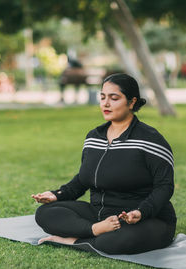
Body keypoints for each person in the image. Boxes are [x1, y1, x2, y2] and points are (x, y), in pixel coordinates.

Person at [32, 73, 176, 254]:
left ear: (132, 102)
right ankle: (94, 231)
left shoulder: (150, 140)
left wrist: (141, 212)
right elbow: (83, 179)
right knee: (45, 213)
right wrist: (57, 195)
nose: (105, 104)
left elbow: (164, 186)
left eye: (114, 98)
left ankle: (75, 239)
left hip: (144, 218)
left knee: (116, 240)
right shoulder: (93, 137)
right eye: (102, 97)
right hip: (99, 214)